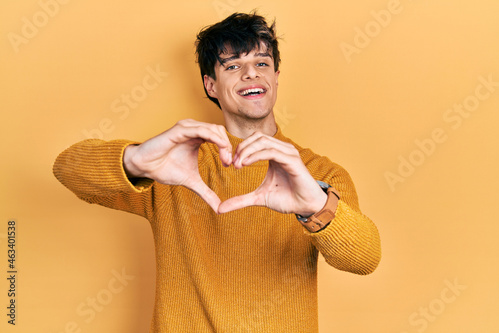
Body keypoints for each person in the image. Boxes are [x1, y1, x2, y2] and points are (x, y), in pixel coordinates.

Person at [53, 12, 381, 333]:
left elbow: (365, 259)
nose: (251, 74)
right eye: (233, 66)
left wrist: (313, 203)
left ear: (276, 77)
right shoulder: (175, 165)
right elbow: (67, 170)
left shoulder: (319, 172)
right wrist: (136, 161)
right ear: (211, 85)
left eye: (262, 63)